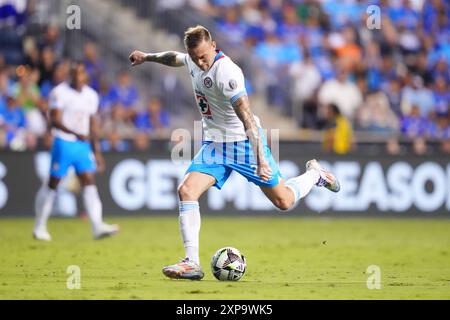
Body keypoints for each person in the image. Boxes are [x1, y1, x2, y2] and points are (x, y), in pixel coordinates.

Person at [129, 25, 340, 280]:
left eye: (204, 56)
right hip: (215, 145)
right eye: (195, 57)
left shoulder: (227, 73)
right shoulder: (193, 60)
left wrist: (261, 159)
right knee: (186, 190)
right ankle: (191, 262)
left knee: (283, 201)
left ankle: (314, 175)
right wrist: (147, 57)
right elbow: (175, 58)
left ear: (214, 45)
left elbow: (248, 119)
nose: (200, 62)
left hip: (243, 144)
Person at [33, 62, 119, 241]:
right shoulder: (60, 92)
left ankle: (97, 226)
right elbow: (54, 119)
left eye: (80, 74)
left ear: (85, 76)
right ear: (69, 76)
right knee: (53, 183)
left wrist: (97, 152)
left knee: (88, 181)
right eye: (73, 74)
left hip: (83, 145)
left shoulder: (91, 95)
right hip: (64, 142)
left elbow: (93, 125)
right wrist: (74, 133)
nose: (77, 77)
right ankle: (39, 225)